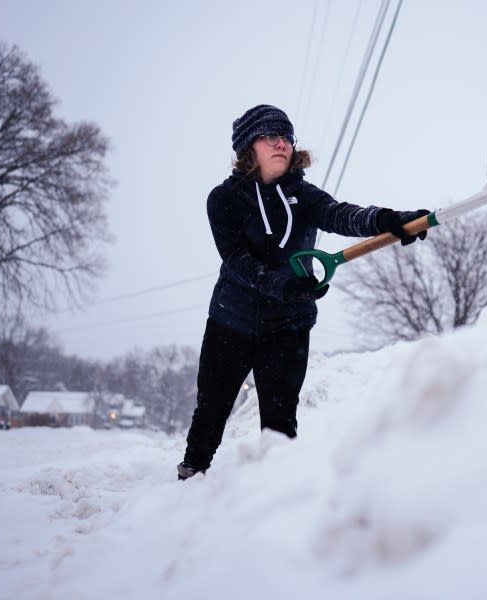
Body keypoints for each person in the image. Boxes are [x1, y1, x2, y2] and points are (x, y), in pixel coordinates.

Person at [177, 104, 428, 480]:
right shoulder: (222, 199)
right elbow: (237, 260)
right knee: (212, 407)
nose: (282, 143)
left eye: (287, 137)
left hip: (288, 325)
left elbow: (342, 214)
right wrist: (282, 284)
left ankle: (278, 491)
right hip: (232, 320)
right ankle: (190, 477)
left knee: (280, 421)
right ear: (249, 146)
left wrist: (389, 220)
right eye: (270, 136)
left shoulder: (302, 194)